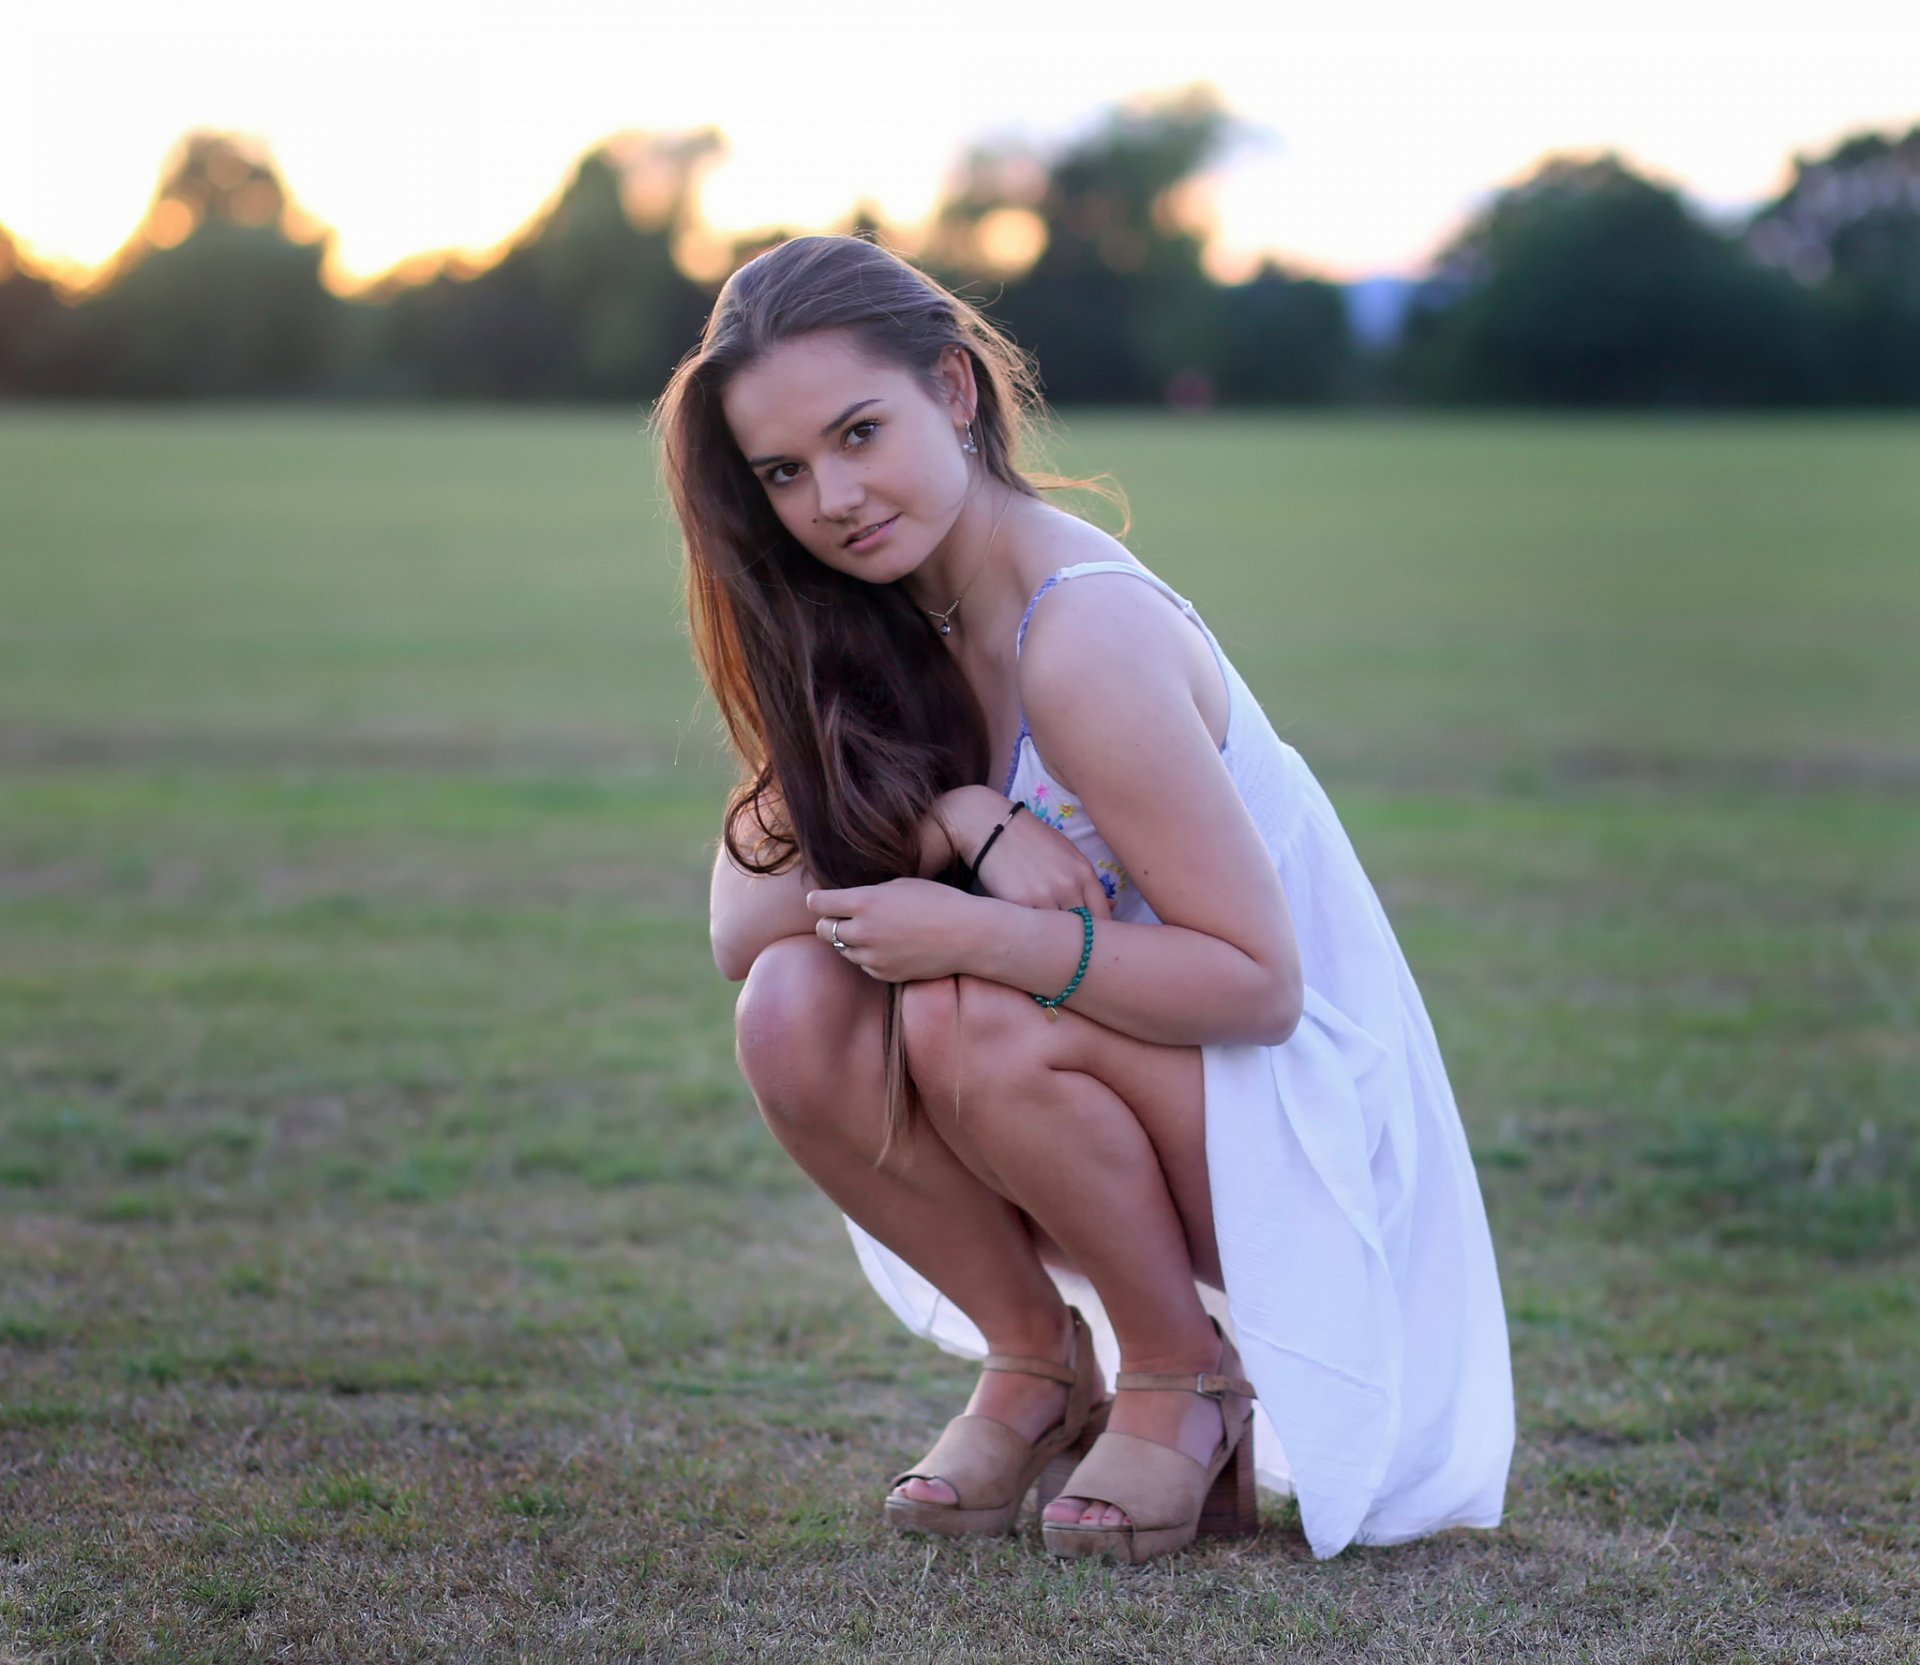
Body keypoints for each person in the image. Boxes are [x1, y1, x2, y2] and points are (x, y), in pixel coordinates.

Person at [655, 233, 1514, 1564]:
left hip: (1310, 1141)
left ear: (953, 389)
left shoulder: (1083, 634)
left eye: (860, 431)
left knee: (961, 1006)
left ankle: (1184, 1378)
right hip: (1145, 1103)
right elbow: (740, 928)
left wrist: (979, 930)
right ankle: (1040, 1361)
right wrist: (954, 818)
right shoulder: (873, 620)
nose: (832, 497)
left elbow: (1259, 985)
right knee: (791, 1007)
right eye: (784, 471)